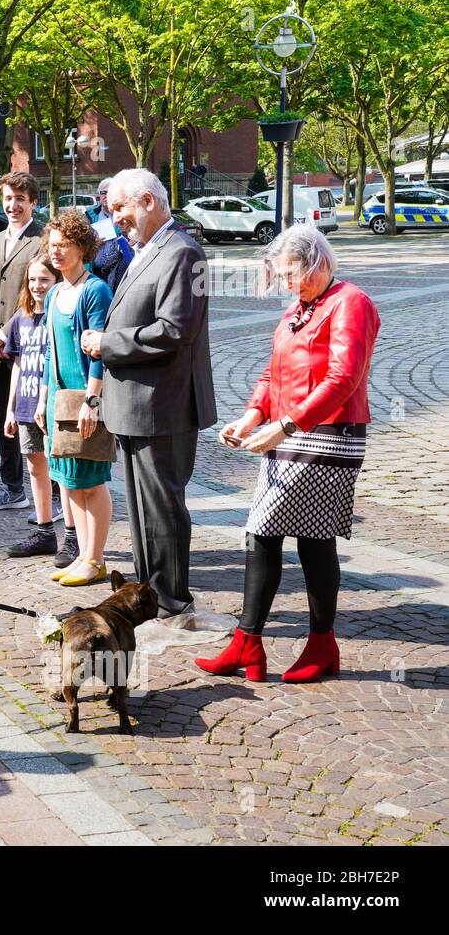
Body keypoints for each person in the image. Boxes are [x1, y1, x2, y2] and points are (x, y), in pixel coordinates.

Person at [196, 226, 380, 683]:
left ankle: (299, 642)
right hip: (293, 431)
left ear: (317, 261)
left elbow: (343, 377)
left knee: (297, 536)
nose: (287, 283)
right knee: (275, 534)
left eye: (292, 273)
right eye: (281, 276)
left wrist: (285, 423)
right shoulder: (302, 307)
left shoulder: (349, 301)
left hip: (327, 434)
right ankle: (253, 642)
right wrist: (253, 414)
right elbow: (273, 370)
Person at [81, 167, 217, 616]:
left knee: (162, 511)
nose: (112, 215)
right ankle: (152, 600)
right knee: (141, 512)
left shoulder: (183, 252)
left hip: (164, 405)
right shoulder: (144, 250)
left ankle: (173, 602)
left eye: (119, 206)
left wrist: (107, 343)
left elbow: (175, 330)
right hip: (136, 405)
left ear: (148, 202)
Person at [36, 212, 114, 586]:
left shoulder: (95, 290)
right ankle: (82, 554)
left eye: (63, 245)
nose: (55, 251)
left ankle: (95, 559)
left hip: (84, 399)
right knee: (68, 481)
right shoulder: (54, 292)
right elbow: (52, 352)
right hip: (59, 400)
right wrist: (43, 399)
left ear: (81, 247)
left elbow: (99, 352)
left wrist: (92, 402)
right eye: (51, 245)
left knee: (90, 481)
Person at [0, 170, 44, 513]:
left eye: (20, 199)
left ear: (32, 202)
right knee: (5, 421)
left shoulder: (42, 241)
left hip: (27, 347)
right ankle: (13, 488)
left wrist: (5, 333)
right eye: (8, 199)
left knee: (35, 421)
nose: (12, 205)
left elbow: (37, 294)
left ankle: (51, 495)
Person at [4, 254, 77, 561]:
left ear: (56, 280)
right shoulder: (21, 317)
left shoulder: (60, 314)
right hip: (26, 402)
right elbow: (18, 365)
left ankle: (73, 536)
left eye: (44, 280)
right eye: (32, 279)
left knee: (62, 472)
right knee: (36, 467)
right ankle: (45, 530)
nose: (37, 285)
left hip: (53, 405)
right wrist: (11, 408)